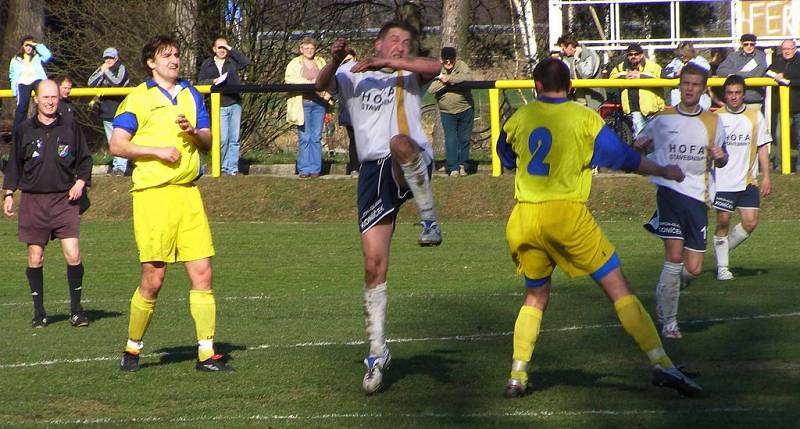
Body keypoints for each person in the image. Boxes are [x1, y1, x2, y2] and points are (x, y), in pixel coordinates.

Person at [496, 57, 701, 399]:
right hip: (566, 215)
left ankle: (517, 375)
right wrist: (665, 171)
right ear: (571, 87)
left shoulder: (520, 116)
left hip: (523, 217)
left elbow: (506, 155)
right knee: (619, 288)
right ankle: (662, 363)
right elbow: (625, 158)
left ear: (537, 87)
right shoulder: (583, 117)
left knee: (535, 295)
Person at [315, 21, 443, 395]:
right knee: (373, 266)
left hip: (411, 160)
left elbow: (435, 68)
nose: (400, 47)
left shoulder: (409, 76)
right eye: (394, 41)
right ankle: (376, 352)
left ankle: (429, 219)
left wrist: (389, 62)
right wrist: (337, 57)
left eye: (406, 42)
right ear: (379, 43)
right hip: (372, 172)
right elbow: (320, 85)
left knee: (399, 142)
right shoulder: (353, 75)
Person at [110, 35, 233, 373]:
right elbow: (117, 145)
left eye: (177, 54)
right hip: (153, 195)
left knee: (203, 272)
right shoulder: (139, 97)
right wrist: (158, 152)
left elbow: (208, 141)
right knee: (154, 278)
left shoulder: (191, 94)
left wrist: (194, 132)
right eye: (167, 55)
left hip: (188, 193)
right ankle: (132, 349)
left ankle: (207, 354)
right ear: (152, 62)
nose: (174, 60)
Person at [636, 64, 728, 340]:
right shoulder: (663, 119)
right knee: (673, 258)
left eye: (695, 84)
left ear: (703, 89)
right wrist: (639, 147)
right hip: (669, 195)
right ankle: (670, 323)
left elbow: (723, 160)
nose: (689, 88)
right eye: (685, 83)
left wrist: (720, 155)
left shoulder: (714, 122)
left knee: (695, 269)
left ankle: (666, 292)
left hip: (698, 199)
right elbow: (641, 146)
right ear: (679, 86)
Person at [2, 79, 92, 329]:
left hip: (65, 200)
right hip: (33, 201)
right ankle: (39, 312)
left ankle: (76, 311)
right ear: (36, 99)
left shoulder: (71, 127)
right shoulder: (24, 130)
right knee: (35, 257)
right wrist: (8, 193)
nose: (51, 101)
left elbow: (85, 160)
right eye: (46, 97)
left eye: (54, 97)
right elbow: (14, 166)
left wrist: (81, 182)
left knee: (73, 254)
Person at [712, 75, 772, 281]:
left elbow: (763, 146)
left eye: (738, 93)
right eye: (730, 93)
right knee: (723, 223)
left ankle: (721, 253)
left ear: (744, 94)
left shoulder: (756, 116)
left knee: (750, 223)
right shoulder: (717, 117)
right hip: (723, 181)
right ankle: (722, 268)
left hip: (747, 180)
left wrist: (766, 176)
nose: (734, 97)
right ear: (725, 94)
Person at [198, 37, 251, 176]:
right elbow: (201, 82)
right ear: (214, 49)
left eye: (224, 47)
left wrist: (231, 49)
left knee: (234, 138)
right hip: (219, 105)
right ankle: (221, 166)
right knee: (222, 138)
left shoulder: (232, 62)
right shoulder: (207, 64)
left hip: (234, 102)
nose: (222, 50)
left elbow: (246, 62)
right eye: (219, 47)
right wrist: (213, 81)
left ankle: (232, 169)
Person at [285, 37, 329, 178]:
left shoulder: (321, 62)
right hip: (302, 103)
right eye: (306, 48)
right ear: (301, 50)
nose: (309, 51)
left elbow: (329, 78)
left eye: (312, 48)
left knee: (316, 137)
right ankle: (304, 169)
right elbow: (290, 79)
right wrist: (307, 82)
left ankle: (316, 169)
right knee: (304, 137)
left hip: (319, 103)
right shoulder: (294, 63)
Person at [428, 46, 475, 177]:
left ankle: (463, 165)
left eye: (451, 60)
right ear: (441, 60)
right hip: (447, 112)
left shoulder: (462, 65)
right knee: (451, 139)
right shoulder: (436, 69)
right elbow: (431, 89)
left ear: (455, 59)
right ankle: (453, 167)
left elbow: (468, 77)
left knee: (464, 139)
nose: (448, 63)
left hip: (466, 109)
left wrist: (448, 79)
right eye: (445, 60)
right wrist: (445, 82)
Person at [88, 47, 131, 175]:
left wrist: (106, 71)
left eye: (111, 58)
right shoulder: (103, 69)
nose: (108, 60)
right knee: (112, 140)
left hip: (121, 110)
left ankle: (122, 167)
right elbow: (90, 83)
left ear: (116, 58)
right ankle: (117, 166)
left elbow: (117, 82)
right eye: (106, 58)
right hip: (106, 111)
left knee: (121, 139)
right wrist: (102, 72)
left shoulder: (121, 68)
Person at [610, 43, 664, 135]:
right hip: (635, 110)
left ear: (641, 55)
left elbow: (660, 79)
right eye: (630, 54)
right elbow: (612, 78)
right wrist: (625, 76)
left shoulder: (653, 66)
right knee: (639, 139)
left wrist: (640, 76)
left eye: (636, 54)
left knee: (656, 140)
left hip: (653, 111)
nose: (633, 56)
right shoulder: (621, 67)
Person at [767, 39, 800, 172]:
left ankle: (798, 166)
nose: (787, 51)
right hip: (782, 107)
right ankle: (778, 165)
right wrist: (776, 76)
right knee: (779, 137)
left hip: (798, 107)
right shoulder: (778, 61)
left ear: (795, 49)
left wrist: (785, 77)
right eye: (784, 49)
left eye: (789, 49)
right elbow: (767, 72)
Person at [9, 36, 52, 135]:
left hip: (36, 80)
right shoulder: (16, 59)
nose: (28, 48)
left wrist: (36, 45)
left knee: (43, 101)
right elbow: (12, 74)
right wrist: (13, 88)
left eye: (30, 45)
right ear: (22, 46)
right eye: (26, 45)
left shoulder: (37, 57)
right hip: (23, 83)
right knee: (22, 107)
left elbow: (48, 55)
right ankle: (17, 133)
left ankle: (46, 127)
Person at [715, 34, 769, 111]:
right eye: (746, 44)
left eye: (752, 44)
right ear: (741, 44)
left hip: (753, 101)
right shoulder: (733, 56)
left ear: (755, 44)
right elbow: (720, 71)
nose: (749, 46)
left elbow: (755, 74)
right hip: (734, 102)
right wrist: (741, 74)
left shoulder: (761, 57)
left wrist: (733, 75)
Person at [555, 34, 604, 109]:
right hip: (574, 99)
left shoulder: (590, 54)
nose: (562, 51)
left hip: (592, 99)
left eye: (563, 48)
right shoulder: (565, 58)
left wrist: (577, 59)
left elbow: (587, 75)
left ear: (570, 46)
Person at [662, 42, 712, 110]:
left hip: (699, 102)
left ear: (690, 52)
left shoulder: (700, 61)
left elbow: (707, 73)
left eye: (684, 55)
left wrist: (684, 71)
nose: (682, 57)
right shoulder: (676, 61)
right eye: (680, 55)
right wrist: (676, 74)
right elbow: (665, 73)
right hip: (678, 102)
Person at [337, 48, 360, 177]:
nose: (347, 63)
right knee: (353, 139)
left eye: (349, 59)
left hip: (363, 109)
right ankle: (355, 167)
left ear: (355, 57)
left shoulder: (361, 69)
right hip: (348, 109)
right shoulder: (339, 72)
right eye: (344, 60)